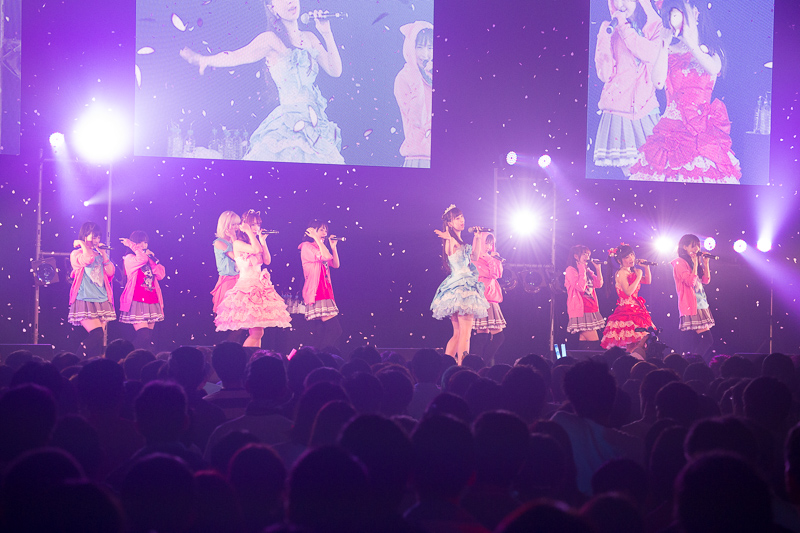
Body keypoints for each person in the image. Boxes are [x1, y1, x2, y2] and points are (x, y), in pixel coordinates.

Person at [180, 0, 344, 164]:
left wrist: (326, 33)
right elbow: (236, 56)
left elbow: (335, 71)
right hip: (289, 125)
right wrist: (204, 60)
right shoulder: (270, 39)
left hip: (315, 125)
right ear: (272, 8)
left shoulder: (309, 37)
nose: (290, 1)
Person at [629, 0, 741, 183]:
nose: (674, 19)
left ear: (695, 13)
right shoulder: (668, 50)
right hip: (670, 128)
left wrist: (692, 44)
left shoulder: (712, 49)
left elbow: (713, 69)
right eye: (670, 15)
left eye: (678, 13)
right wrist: (663, 45)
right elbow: (658, 82)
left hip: (700, 131)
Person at [593, 0, 663, 176]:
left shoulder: (654, 26)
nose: (621, 4)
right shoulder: (609, 27)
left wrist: (624, 27)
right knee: (632, 174)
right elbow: (604, 75)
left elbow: (650, 55)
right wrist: (604, 39)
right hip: (618, 111)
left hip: (646, 108)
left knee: (655, 170)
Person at [215, 209, 291, 347]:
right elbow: (256, 250)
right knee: (256, 333)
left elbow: (267, 260)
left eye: (258, 224)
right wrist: (250, 233)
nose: (256, 228)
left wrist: (263, 241)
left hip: (260, 288)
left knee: (258, 332)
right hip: (247, 289)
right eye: (253, 225)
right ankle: (245, 357)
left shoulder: (255, 243)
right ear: (245, 226)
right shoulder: (238, 244)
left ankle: (255, 357)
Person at [430, 205, 489, 364]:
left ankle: (446, 366)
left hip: (457, 287)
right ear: (450, 223)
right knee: (465, 334)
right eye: (457, 218)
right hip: (463, 287)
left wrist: (477, 238)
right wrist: (448, 237)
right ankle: (463, 368)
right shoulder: (451, 242)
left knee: (457, 334)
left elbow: (474, 257)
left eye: (462, 217)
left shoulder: (460, 242)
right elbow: (450, 249)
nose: (462, 220)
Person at [68, 222, 116, 358]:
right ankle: (76, 360)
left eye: (98, 237)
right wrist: (82, 244)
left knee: (98, 340)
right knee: (97, 333)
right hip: (85, 298)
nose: (96, 240)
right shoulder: (76, 253)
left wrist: (104, 254)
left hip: (102, 299)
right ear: (84, 236)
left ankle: (93, 366)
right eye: (94, 237)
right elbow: (88, 259)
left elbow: (110, 272)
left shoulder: (99, 254)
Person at [600, 244, 654, 358]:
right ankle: (631, 363)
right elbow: (628, 292)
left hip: (636, 310)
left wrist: (646, 267)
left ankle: (633, 362)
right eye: (626, 257)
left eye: (632, 255)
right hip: (626, 311)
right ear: (619, 261)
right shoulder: (621, 273)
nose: (631, 258)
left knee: (638, 343)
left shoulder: (631, 272)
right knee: (633, 344)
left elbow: (648, 281)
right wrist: (638, 276)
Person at [394, 21, 433, 168]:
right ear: (410, 48)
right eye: (419, 47)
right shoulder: (404, 77)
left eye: (430, 48)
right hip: (418, 158)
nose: (425, 54)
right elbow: (418, 120)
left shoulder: (433, 75)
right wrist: (417, 80)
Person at [119, 231, 166, 351]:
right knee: (143, 336)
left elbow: (161, 274)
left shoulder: (148, 259)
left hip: (152, 300)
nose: (143, 245)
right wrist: (132, 246)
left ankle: (145, 360)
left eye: (145, 242)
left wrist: (153, 260)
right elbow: (141, 259)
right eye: (140, 242)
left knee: (148, 339)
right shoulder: (129, 258)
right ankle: (127, 357)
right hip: (137, 300)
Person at [299, 219, 342, 349]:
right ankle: (322, 355)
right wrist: (317, 239)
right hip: (317, 291)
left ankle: (318, 355)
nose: (325, 233)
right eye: (321, 230)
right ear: (312, 231)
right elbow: (326, 257)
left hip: (326, 290)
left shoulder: (321, 248)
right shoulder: (306, 246)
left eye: (326, 230)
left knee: (321, 332)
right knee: (335, 330)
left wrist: (333, 247)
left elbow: (335, 264)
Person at [671, 234, 715, 360]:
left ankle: (692, 362)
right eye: (693, 246)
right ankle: (691, 362)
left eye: (698, 246)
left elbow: (705, 280)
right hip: (691, 305)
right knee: (706, 340)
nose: (697, 249)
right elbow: (690, 282)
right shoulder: (679, 262)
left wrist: (705, 263)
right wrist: (695, 264)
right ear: (684, 247)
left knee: (701, 341)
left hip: (701, 304)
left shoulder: (694, 261)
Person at [471, 232, 506, 363]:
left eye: (491, 244)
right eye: (486, 243)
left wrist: (494, 259)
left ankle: (478, 365)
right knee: (496, 337)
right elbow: (491, 274)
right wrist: (490, 259)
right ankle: (481, 364)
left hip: (491, 296)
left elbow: (498, 274)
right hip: (484, 297)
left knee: (483, 337)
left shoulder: (491, 257)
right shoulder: (475, 258)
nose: (489, 246)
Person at [565, 245, 605, 351]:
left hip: (591, 309)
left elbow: (598, 284)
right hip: (581, 310)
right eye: (584, 254)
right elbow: (580, 287)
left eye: (588, 254)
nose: (587, 256)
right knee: (594, 342)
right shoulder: (571, 270)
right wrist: (582, 267)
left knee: (584, 343)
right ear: (576, 256)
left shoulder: (587, 270)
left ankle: (582, 360)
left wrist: (598, 269)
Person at [211, 211, 241, 320]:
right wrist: (233, 237)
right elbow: (237, 257)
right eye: (233, 224)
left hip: (240, 279)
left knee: (240, 316)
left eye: (237, 224)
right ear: (225, 225)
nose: (236, 227)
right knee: (228, 316)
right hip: (228, 281)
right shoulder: (219, 242)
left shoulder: (236, 240)